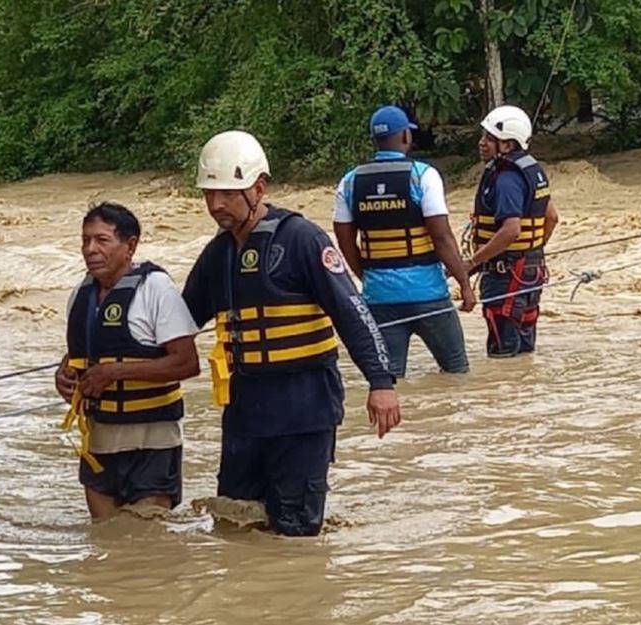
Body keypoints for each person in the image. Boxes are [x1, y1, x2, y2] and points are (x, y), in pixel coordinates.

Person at [182, 130, 401, 536]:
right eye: (209, 194)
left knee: (295, 534)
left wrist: (381, 382)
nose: (216, 204)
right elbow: (181, 321)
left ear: (259, 188)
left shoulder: (302, 240)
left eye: (228, 193)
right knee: (233, 524)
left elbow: (351, 311)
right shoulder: (219, 254)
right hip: (245, 413)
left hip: (303, 410)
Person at [55, 202, 200, 519]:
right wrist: (63, 373)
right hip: (100, 444)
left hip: (152, 443)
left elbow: (187, 363)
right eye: (85, 240)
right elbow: (83, 351)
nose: (90, 249)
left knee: (147, 542)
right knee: (107, 542)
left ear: (130, 246)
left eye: (102, 240)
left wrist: (116, 372)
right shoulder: (81, 293)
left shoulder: (156, 288)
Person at [333, 105, 476, 378]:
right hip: (430, 297)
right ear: (406, 137)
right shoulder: (423, 175)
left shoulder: (349, 182)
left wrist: (368, 276)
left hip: (380, 300)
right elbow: (442, 237)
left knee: (388, 381)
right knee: (457, 374)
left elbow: (344, 242)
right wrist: (465, 285)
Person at [465, 105, 560, 357]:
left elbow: (511, 231)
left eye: (490, 139)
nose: (481, 143)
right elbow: (551, 217)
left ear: (507, 146)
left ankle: (504, 395)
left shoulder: (506, 178)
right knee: (524, 349)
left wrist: (471, 263)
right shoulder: (532, 170)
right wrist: (533, 251)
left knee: (502, 354)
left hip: (505, 275)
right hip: (531, 271)